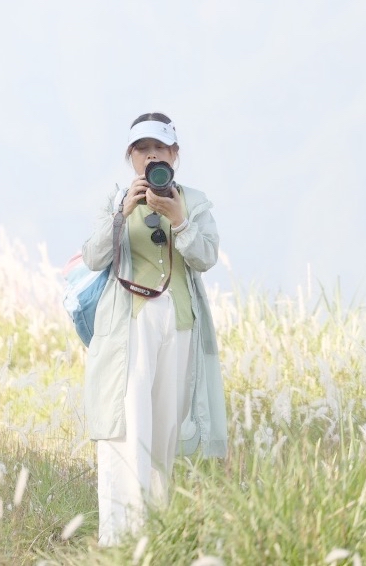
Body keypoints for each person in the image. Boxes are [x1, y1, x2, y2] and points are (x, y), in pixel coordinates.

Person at [81, 112, 228, 546]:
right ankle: (120, 537)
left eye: (159, 149)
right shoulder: (115, 200)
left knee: (166, 429)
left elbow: (206, 257)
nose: (150, 157)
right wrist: (120, 215)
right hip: (129, 325)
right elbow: (92, 257)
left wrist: (180, 220)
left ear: (174, 155)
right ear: (130, 158)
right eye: (142, 150)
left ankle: (158, 532)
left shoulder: (194, 202)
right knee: (128, 424)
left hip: (178, 323)